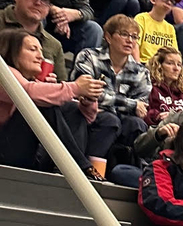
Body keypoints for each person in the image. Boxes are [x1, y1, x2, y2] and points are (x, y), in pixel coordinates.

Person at [0, 27, 105, 176]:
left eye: (41, 51)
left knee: (70, 109)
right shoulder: (3, 72)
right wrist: (73, 88)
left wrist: (87, 100)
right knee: (43, 105)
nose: (40, 57)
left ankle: (68, 168)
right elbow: (27, 92)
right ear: (12, 51)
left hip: (28, 154)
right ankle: (79, 167)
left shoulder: (31, 81)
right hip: (4, 153)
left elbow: (88, 118)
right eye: (32, 49)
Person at [70, 14, 151, 151]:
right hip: (89, 113)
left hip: (121, 120)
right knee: (109, 121)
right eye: (124, 34)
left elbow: (141, 109)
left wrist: (110, 101)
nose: (130, 41)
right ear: (108, 37)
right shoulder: (88, 57)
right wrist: (130, 104)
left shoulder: (142, 72)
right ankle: (89, 169)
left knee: (137, 125)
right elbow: (86, 92)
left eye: (134, 37)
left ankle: (128, 170)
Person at [1, 0, 72, 81]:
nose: (38, 3)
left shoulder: (54, 45)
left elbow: (62, 85)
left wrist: (53, 86)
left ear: (49, 8)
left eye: (44, 0)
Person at [134, 0, 180, 64]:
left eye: (172, 1)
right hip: (144, 64)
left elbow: (174, 53)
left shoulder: (170, 28)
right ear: (153, 0)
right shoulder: (141, 19)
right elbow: (134, 45)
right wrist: (138, 67)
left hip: (163, 68)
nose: (169, 2)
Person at [143, 46, 183, 126]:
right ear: (159, 65)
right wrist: (157, 116)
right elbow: (143, 112)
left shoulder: (182, 94)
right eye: (170, 63)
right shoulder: (149, 88)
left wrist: (174, 117)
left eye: (179, 65)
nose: (176, 68)